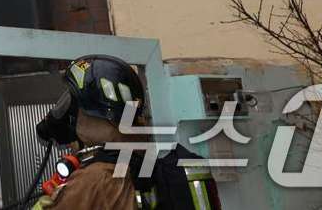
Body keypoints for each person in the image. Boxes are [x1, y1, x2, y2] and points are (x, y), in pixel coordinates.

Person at [33, 55, 221, 209]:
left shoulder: (97, 178)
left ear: (92, 113)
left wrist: (47, 203)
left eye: (73, 104)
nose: (67, 112)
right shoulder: (153, 159)